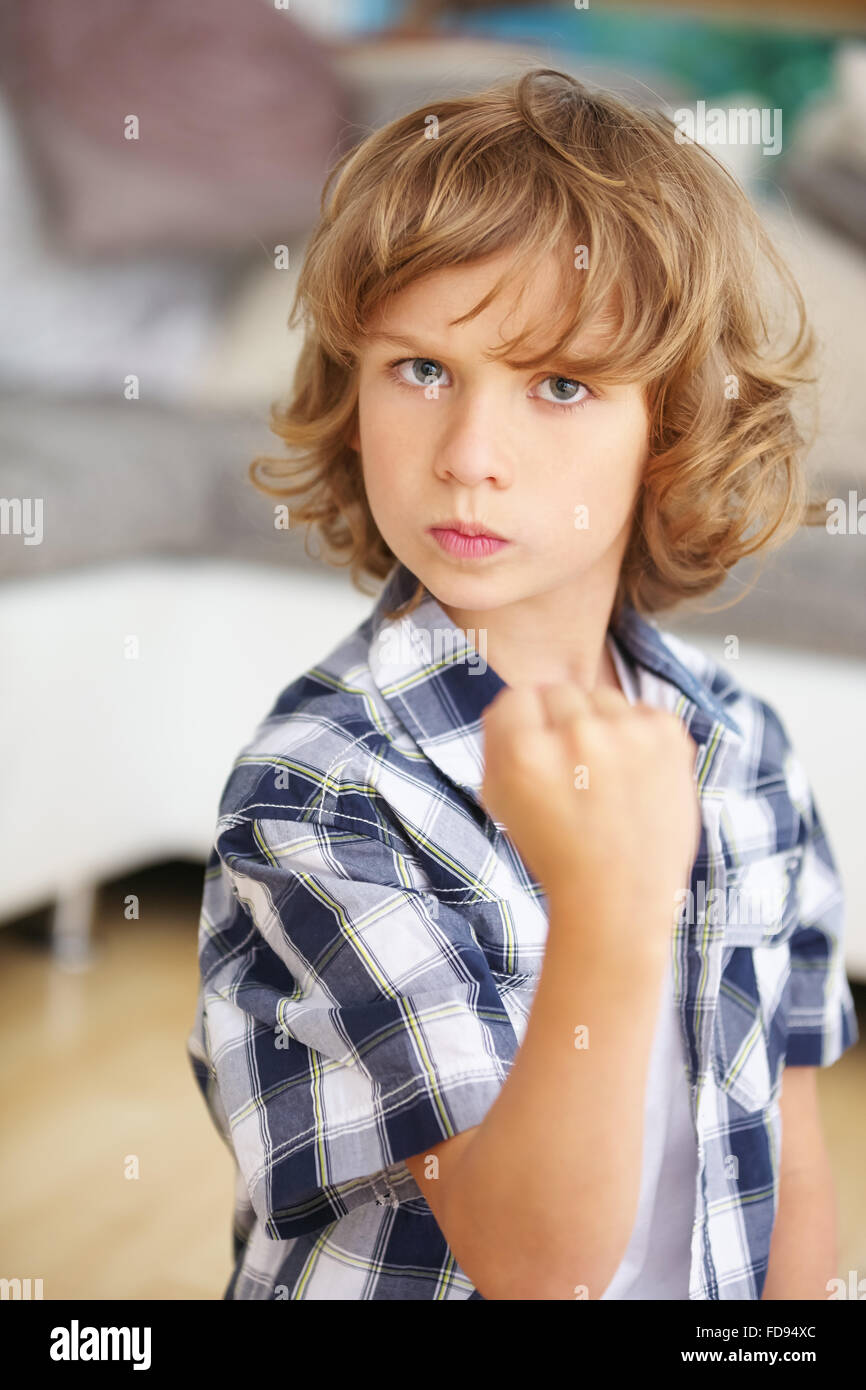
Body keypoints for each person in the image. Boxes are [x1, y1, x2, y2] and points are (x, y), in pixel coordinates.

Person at [186, 68, 858, 1300]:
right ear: (350, 389)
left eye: (559, 384)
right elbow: (531, 1267)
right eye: (421, 370)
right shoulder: (323, 794)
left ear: (669, 424)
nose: (469, 459)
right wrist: (611, 895)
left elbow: (793, 1159)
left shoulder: (745, 751)